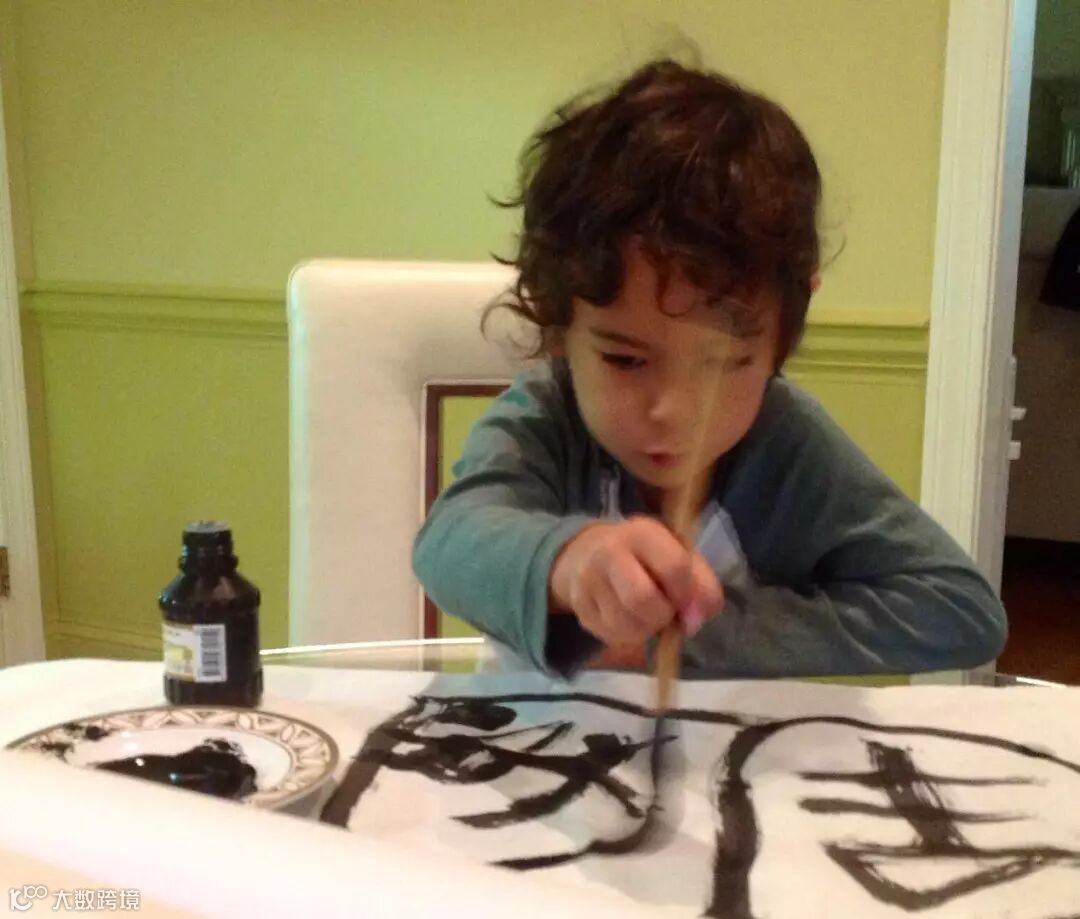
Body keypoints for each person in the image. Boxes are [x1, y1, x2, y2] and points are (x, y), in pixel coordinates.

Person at [412, 59, 1007, 678]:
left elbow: (959, 610)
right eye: (625, 359)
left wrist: (695, 636)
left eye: (722, 365)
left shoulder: (786, 443)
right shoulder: (546, 415)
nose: (674, 410)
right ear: (559, 325)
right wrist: (570, 562)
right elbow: (448, 545)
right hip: (533, 730)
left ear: (782, 337)